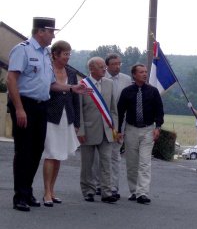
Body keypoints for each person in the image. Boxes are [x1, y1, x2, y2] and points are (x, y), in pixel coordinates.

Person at [6, 17, 90, 212]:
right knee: (24, 151)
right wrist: (19, 108)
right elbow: (11, 79)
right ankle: (20, 196)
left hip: (42, 106)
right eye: (51, 32)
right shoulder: (23, 49)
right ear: (41, 31)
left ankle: (28, 192)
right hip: (25, 104)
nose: (53, 36)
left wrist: (71, 88)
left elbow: (51, 84)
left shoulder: (44, 53)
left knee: (36, 152)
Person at [117, 64, 164, 204]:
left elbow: (159, 110)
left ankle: (142, 192)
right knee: (132, 163)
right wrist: (119, 130)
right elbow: (120, 112)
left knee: (144, 162)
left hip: (148, 130)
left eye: (146, 72)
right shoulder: (127, 92)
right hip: (131, 129)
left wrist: (158, 126)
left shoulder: (153, 91)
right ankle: (134, 191)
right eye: (141, 72)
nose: (144, 74)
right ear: (134, 75)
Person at [42, 40, 80, 207]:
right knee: (51, 153)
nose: (67, 57)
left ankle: (52, 189)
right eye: (65, 54)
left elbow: (75, 98)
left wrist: (77, 121)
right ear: (55, 55)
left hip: (67, 117)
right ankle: (46, 193)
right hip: (50, 117)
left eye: (69, 54)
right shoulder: (46, 69)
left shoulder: (71, 73)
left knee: (59, 156)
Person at [78, 57, 118, 203]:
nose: (104, 69)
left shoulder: (109, 83)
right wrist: (80, 130)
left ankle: (107, 192)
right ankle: (88, 191)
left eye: (104, 67)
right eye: (101, 67)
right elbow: (79, 111)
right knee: (87, 164)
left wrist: (115, 129)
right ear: (92, 69)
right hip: (88, 130)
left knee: (106, 162)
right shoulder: (82, 85)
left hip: (107, 130)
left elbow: (113, 110)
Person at [92, 53, 131, 198]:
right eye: (114, 64)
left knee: (115, 155)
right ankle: (98, 185)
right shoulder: (100, 78)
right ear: (107, 66)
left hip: (118, 124)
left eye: (119, 63)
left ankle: (113, 186)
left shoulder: (126, 80)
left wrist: (121, 127)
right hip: (100, 122)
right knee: (98, 155)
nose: (117, 66)